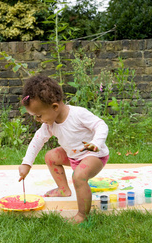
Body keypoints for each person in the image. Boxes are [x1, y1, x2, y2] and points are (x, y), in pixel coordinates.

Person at [19, 75, 109, 223]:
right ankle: (63, 189)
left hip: (94, 156)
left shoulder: (78, 114)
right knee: (50, 156)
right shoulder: (49, 124)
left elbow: (101, 125)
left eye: (39, 116)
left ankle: (83, 215)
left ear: (54, 107)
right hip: (73, 156)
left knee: (78, 177)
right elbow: (37, 140)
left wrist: (96, 143)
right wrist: (26, 163)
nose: (37, 120)